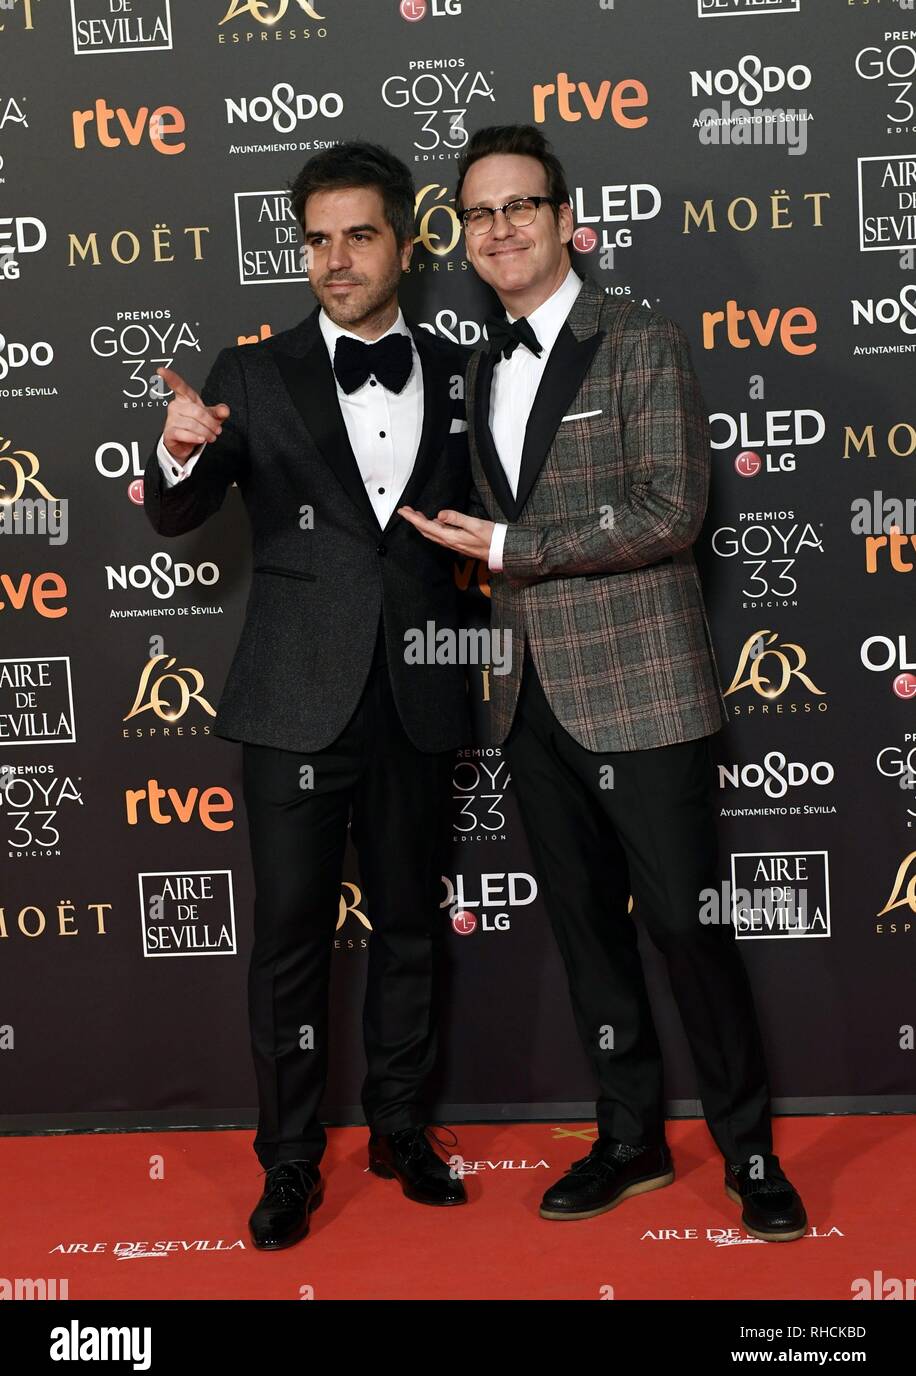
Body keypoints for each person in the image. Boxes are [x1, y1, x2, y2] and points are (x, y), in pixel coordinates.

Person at [399, 124, 808, 1242]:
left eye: (518, 205)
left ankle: (750, 1147)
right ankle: (627, 1134)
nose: (498, 228)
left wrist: (507, 550)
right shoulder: (476, 367)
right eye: (478, 213)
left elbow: (671, 512)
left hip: (641, 688)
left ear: (566, 217)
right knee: (586, 933)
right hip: (525, 693)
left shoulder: (638, 339)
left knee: (684, 925)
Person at [143, 141, 473, 1250]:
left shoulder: (463, 368)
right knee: (286, 937)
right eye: (318, 239)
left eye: (359, 235)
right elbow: (179, 517)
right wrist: (179, 452)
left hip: (419, 692)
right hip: (291, 699)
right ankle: (287, 1161)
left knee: (412, 927)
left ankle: (399, 1130)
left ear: (405, 243)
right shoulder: (247, 373)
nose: (336, 259)